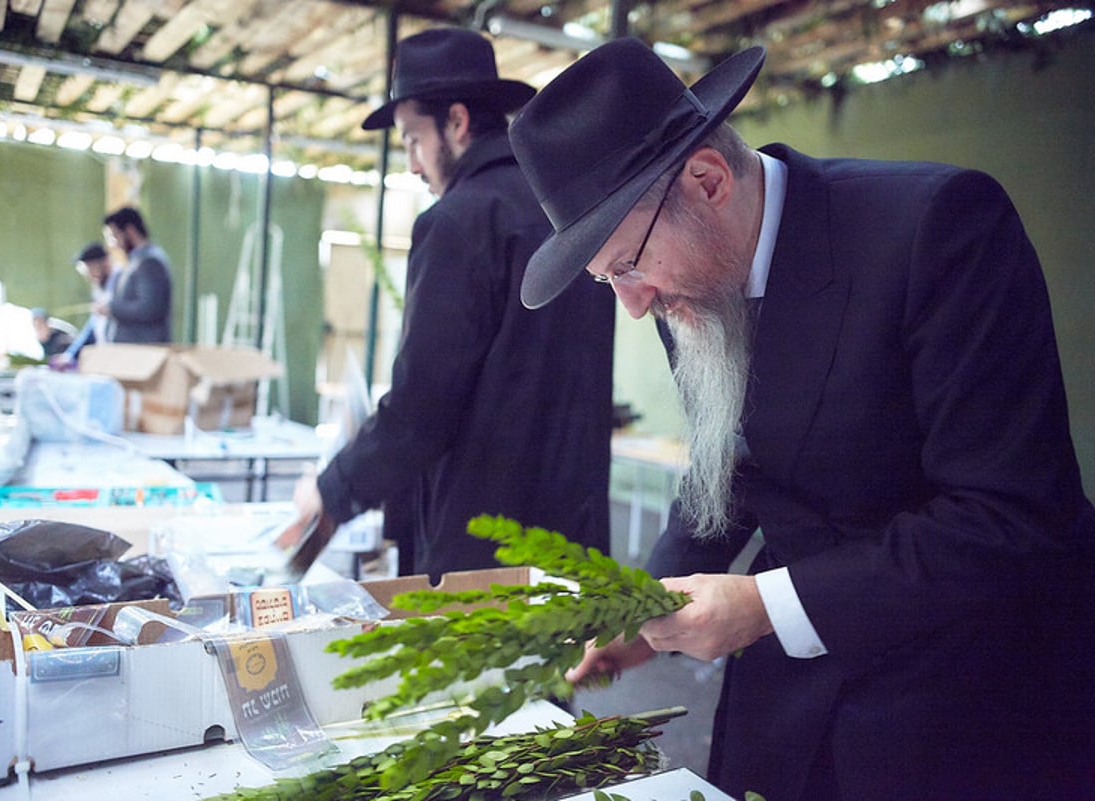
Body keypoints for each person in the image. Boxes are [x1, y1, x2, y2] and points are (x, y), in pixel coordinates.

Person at [508, 38, 1095, 801]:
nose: (633, 300)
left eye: (627, 264)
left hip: (964, 694)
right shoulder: (680, 281)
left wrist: (763, 605)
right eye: (606, 279)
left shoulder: (938, 228)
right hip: (790, 698)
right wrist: (640, 605)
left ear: (707, 181)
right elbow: (729, 464)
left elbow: (1009, 519)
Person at [278, 28, 616, 581]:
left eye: (412, 139)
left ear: (456, 123)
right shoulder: (569, 210)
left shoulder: (457, 221)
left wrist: (332, 490)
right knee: (559, 670)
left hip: (483, 548)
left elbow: (423, 407)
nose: (412, 164)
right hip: (574, 538)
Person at [100, 206, 172, 343]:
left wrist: (112, 308)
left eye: (114, 236)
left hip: (143, 353)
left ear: (130, 231)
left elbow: (149, 309)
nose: (112, 244)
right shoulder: (135, 261)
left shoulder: (150, 262)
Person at [52, 242, 119, 367]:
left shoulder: (121, 282)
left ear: (104, 263)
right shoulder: (98, 289)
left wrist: (111, 309)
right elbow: (92, 327)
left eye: (91, 270)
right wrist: (69, 355)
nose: (89, 276)